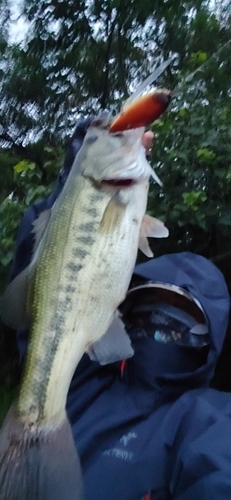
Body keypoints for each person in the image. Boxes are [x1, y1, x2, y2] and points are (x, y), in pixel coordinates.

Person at [10, 118, 231, 500]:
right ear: (127, 312)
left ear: (209, 337)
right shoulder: (83, 382)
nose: (161, 324)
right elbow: (45, 282)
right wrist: (70, 184)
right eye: (149, 308)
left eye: (181, 318)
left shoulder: (205, 421)